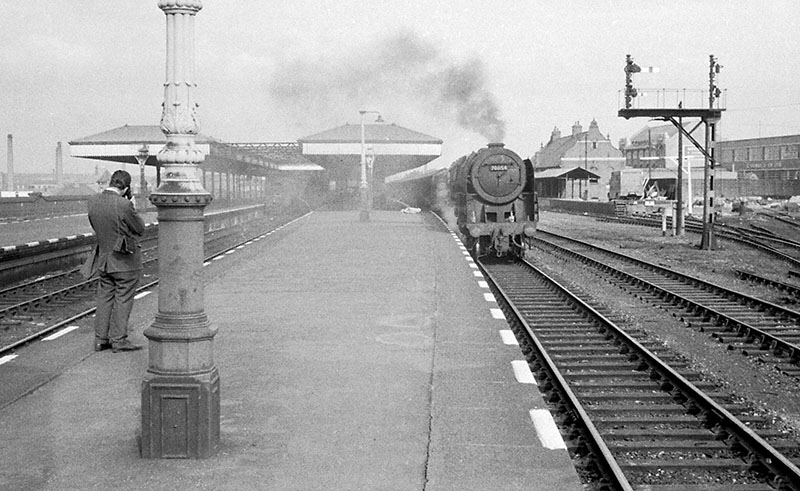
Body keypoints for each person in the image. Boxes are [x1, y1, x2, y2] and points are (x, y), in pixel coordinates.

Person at [81, 170, 145, 352]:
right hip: (124, 262)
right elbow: (139, 228)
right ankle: (119, 340)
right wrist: (132, 206)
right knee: (123, 299)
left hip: (103, 260)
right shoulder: (124, 204)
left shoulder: (92, 201)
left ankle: (101, 340)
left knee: (104, 299)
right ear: (125, 187)